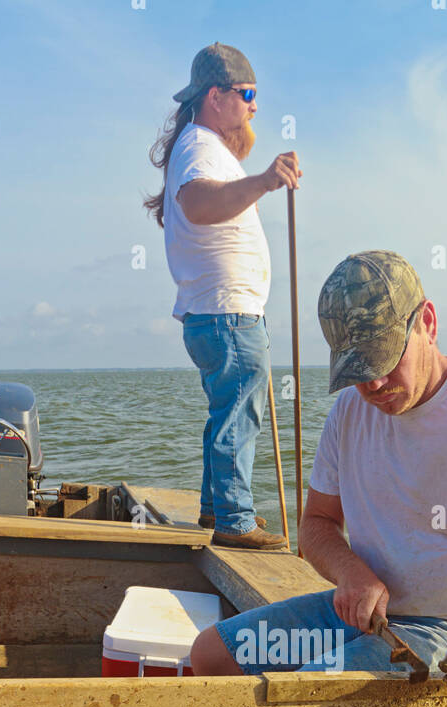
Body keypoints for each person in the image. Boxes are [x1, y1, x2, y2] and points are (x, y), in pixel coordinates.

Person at [190, 250, 447, 705]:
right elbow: (316, 525)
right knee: (213, 655)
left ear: (427, 322)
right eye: (358, 369)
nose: (373, 385)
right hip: (366, 615)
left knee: (302, 697)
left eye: (385, 359)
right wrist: (352, 574)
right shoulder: (349, 414)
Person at [146, 42, 301, 550]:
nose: (256, 105)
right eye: (248, 93)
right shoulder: (197, 148)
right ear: (216, 95)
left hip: (221, 311)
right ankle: (234, 520)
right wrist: (262, 181)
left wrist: (250, 146)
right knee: (239, 410)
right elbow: (196, 204)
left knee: (229, 410)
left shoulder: (204, 144)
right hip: (226, 312)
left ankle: (215, 511)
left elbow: (241, 146)